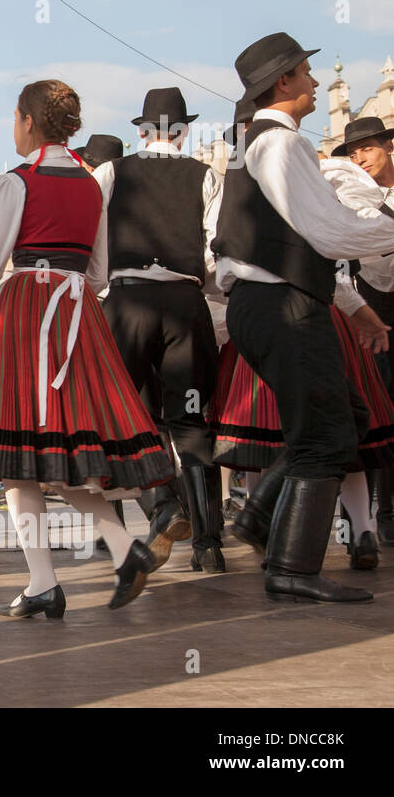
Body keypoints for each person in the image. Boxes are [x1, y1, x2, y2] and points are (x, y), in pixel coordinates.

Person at [0, 79, 173, 618]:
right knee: (52, 454)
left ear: (29, 121)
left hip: (29, 315)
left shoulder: (13, 183)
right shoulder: (90, 184)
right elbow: (100, 272)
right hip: (78, 313)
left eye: (16, 118)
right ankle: (115, 553)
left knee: (19, 453)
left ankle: (52, 579)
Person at [212, 32, 394, 603]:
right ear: (284, 81)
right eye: (307, 74)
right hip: (282, 307)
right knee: (324, 433)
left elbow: (303, 241)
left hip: (274, 302)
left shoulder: (260, 145)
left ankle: (260, 513)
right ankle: (292, 567)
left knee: (347, 416)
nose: (316, 83)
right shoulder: (280, 144)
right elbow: (327, 232)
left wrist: (355, 309)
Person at [92, 87, 225, 572]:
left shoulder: (111, 171)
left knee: (131, 416)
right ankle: (209, 544)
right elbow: (216, 248)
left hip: (127, 302)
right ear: (184, 130)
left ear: (141, 131)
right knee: (192, 422)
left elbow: (92, 238)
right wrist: (194, 280)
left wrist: (106, 286)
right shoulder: (205, 174)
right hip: (184, 301)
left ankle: (164, 506)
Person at [330, 117, 394, 545]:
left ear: (387, 147)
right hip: (374, 312)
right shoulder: (351, 195)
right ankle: (376, 517)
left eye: (367, 149)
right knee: (380, 409)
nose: (360, 159)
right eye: (353, 154)